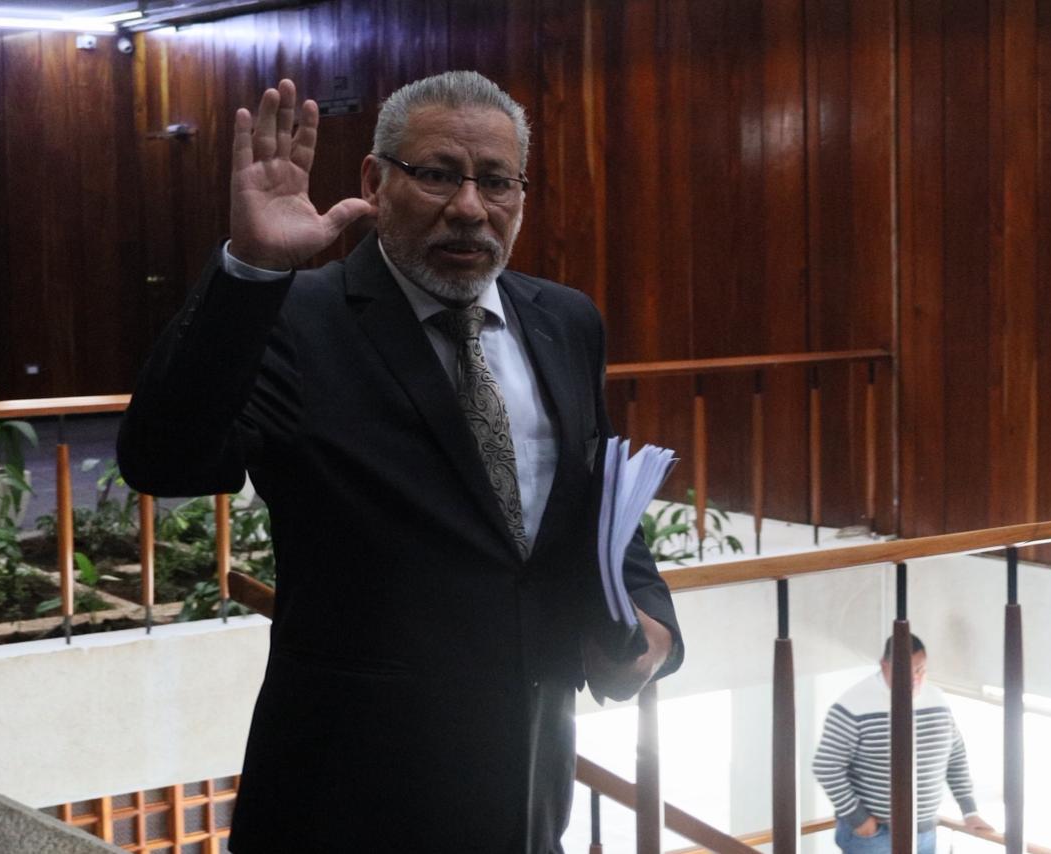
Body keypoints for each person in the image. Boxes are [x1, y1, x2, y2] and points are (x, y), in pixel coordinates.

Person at [117, 71, 684, 853]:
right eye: (438, 174)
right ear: (374, 182)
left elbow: (595, 498)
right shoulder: (293, 317)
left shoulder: (565, 320)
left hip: (527, 783)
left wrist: (650, 618)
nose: (469, 207)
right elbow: (166, 460)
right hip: (346, 797)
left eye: (496, 181)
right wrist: (250, 269)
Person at [813, 635, 994, 853]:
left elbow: (954, 757)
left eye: (919, 670)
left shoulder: (937, 700)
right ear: (884, 665)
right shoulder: (853, 706)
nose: (913, 679)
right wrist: (859, 819)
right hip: (875, 835)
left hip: (925, 832)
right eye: (904, 671)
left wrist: (969, 811)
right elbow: (826, 767)